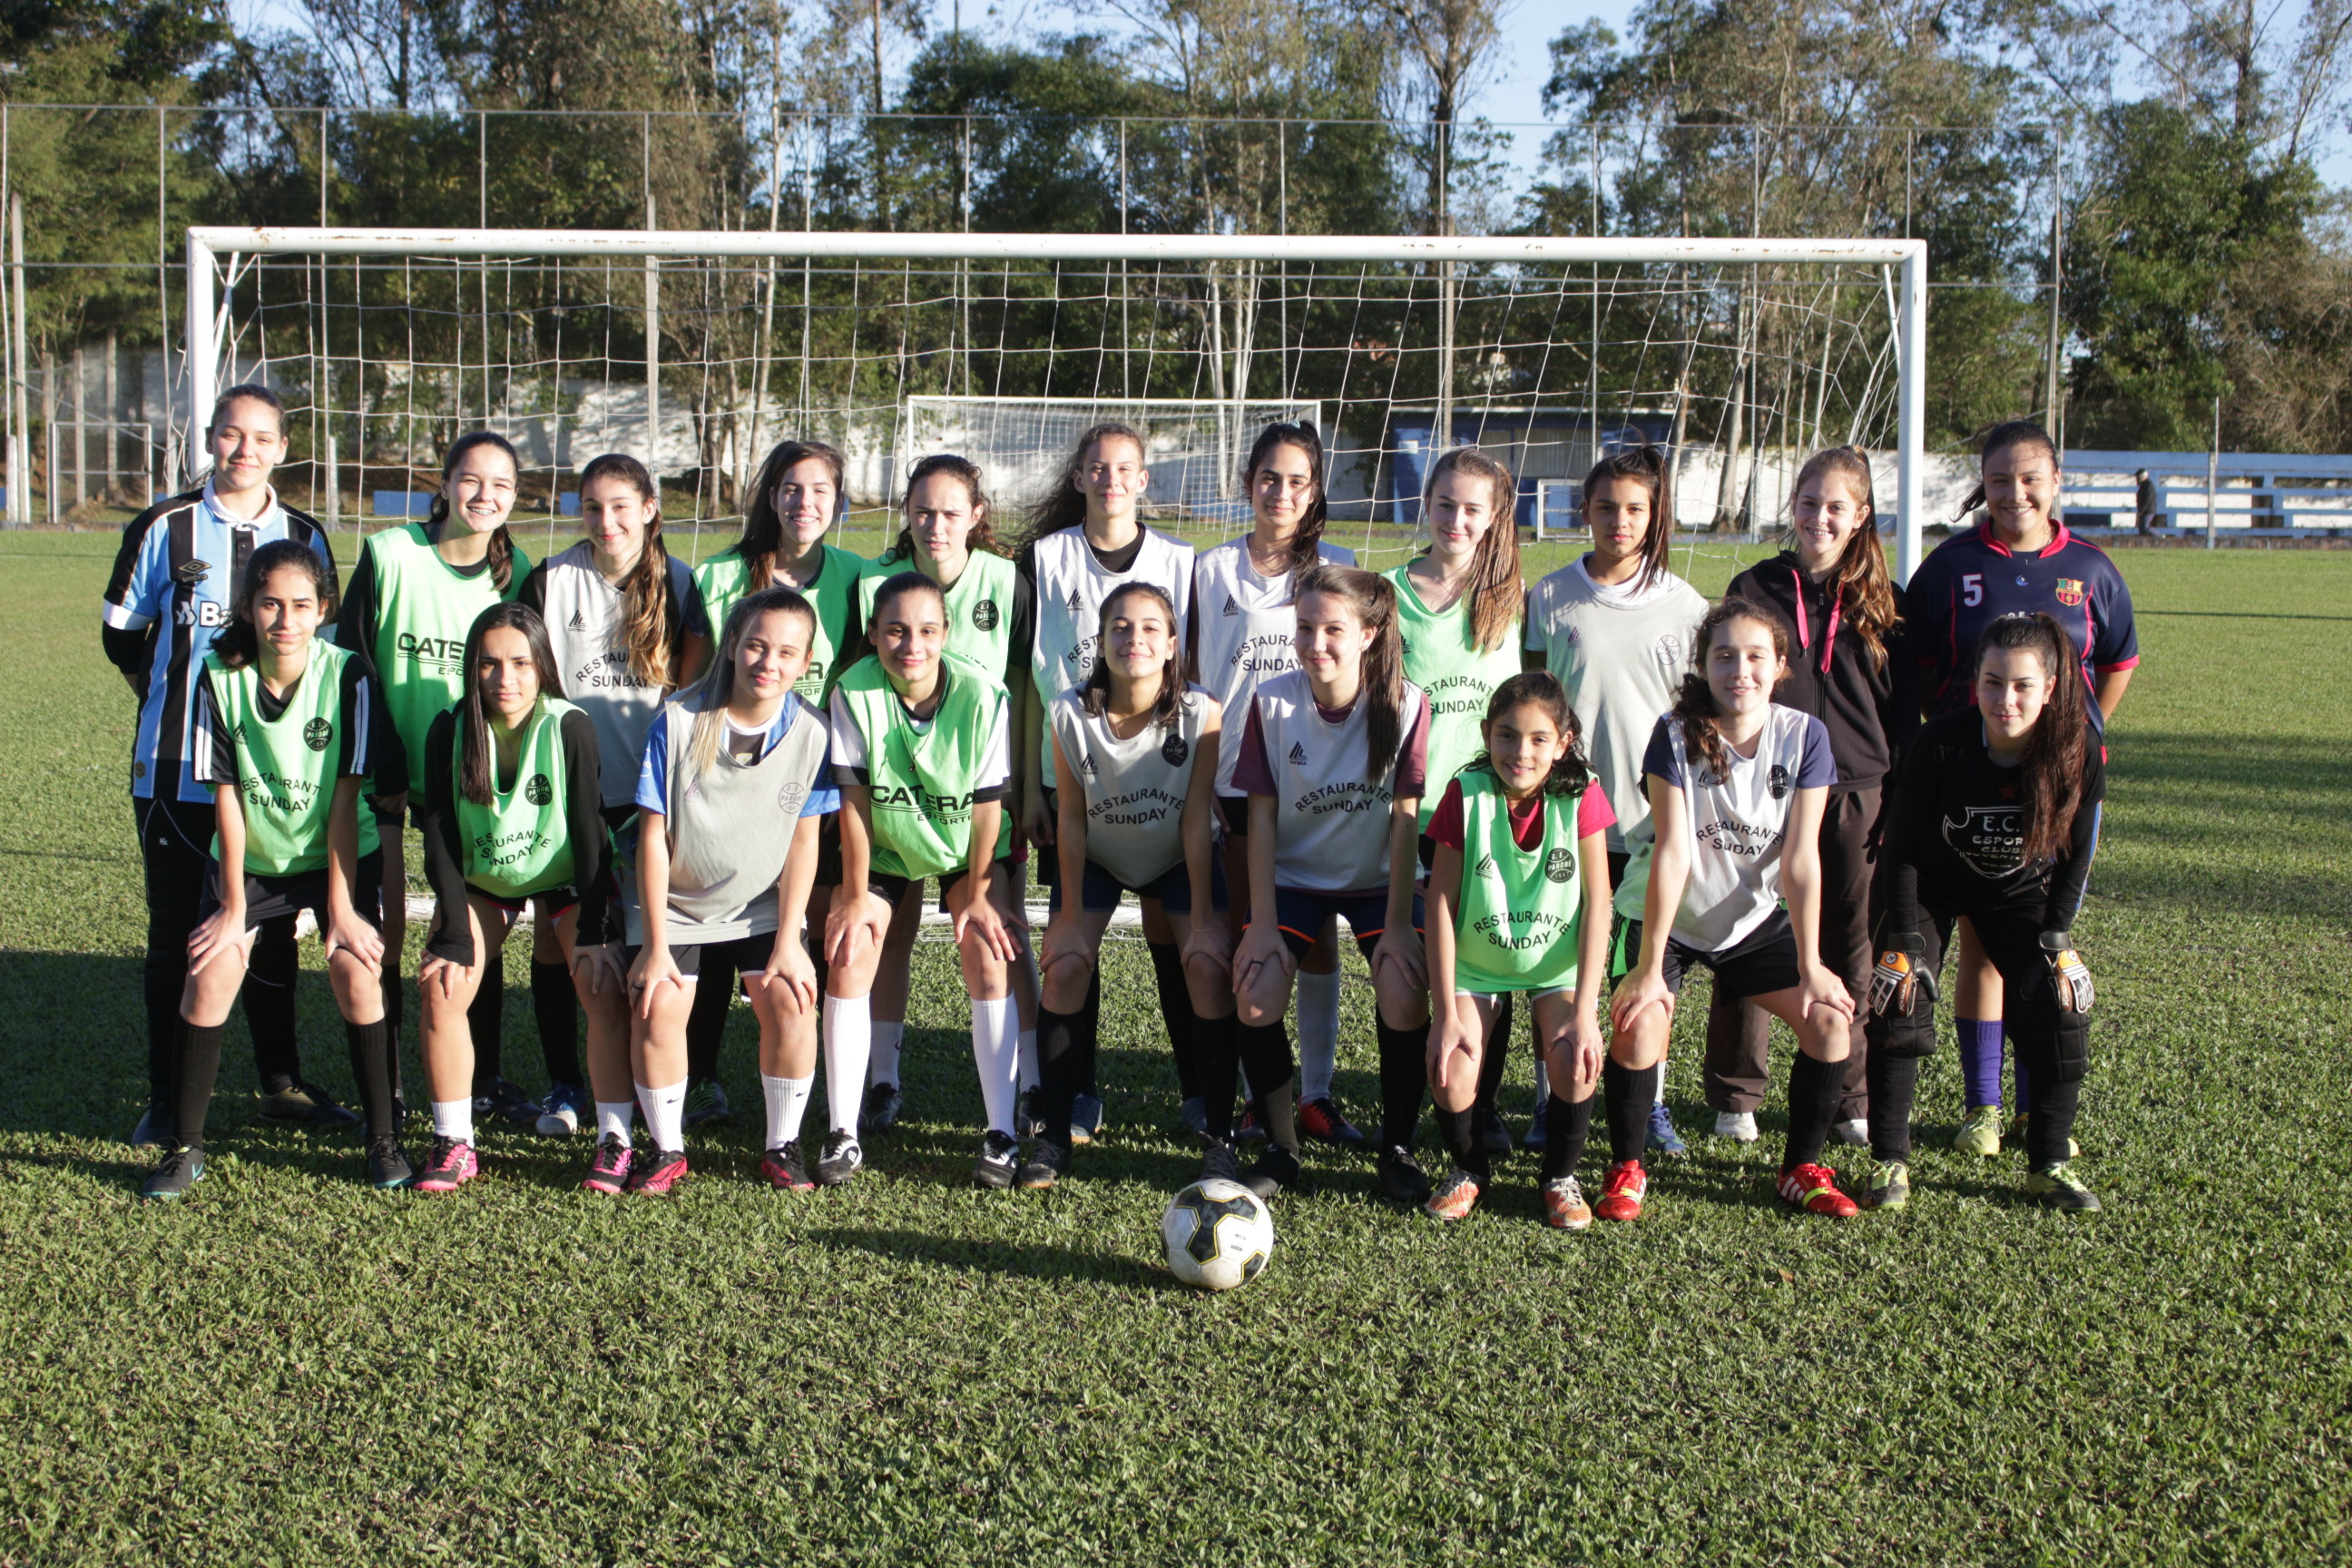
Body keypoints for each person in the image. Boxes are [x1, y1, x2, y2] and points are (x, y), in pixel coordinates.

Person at [102, 383, 350, 1147]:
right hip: (176, 770)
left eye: (262, 438)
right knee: (182, 935)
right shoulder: (164, 528)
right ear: (209, 440)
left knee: (272, 934)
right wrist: (173, 697)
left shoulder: (304, 531)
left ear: (282, 447)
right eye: (230, 435)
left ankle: (280, 1083)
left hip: (278, 780)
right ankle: (167, 1098)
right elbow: (122, 636)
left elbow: (321, 648)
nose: (245, 450)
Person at [139, 544, 403, 1200]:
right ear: (249, 608)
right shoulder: (218, 675)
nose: (285, 619)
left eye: (301, 605)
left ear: (323, 610)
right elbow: (225, 797)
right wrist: (233, 906)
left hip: (338, 855)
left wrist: (341, 911)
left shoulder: (349, 676)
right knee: (209, 977)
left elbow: (346, 797)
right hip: (253, 860)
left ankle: (384, 1140)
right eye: (270, 604)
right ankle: (185, 1147)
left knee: (354, 972)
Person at [1903, 420, 2136, 1157]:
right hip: (1974, 776)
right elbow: (1916, 663)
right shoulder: (1951, 565)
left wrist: (2071, 735)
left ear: (2057, 480)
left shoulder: (2093, 569)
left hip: (2058, 784)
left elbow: (2118, 662)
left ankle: (2040, 1110)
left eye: (2029, 477)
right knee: (1980, 941)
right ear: (1983, 482)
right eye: (1999, 479)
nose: (2015, 492)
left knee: (2046, 936)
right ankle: (1983, 1105)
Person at [1600, 598, 1859, 1223]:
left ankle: (1801, 1169)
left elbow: (1800, 860)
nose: (1739, 669)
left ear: (1778, 666)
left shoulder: (1806, 738)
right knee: (1640, 1024)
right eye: (1723, 656)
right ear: (1704, 665)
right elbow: (1672, 854)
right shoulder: (1675, 733)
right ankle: (1626, 1167)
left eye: (1753, 656)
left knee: (1829, 1022)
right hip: (1669, 917)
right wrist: (1649, 966)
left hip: (1750, 923)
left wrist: (1812, 964)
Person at [1863, 612, 2105, 1212]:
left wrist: (2056, 937)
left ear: (2049, 688)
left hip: (2018, 893)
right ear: (1976, 680)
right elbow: (1899, 850)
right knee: (1899, 996)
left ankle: (2047, 1163)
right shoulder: (1940, 742)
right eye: (1994, 682)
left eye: (2023, 685)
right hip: (1929, 885)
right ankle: (1890, 1161)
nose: (2006, 699)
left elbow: (2079, 855)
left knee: (2061, 1001)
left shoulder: (2077, 750)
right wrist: (1906, 942)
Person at [337, 431, 544, 1132]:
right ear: (447, 482)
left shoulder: (518, 576)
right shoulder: (392, 553)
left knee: (470, 933)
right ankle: (390, 1084)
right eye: (471, 480)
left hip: (472, 785)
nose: (485, 496)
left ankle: (481, 1080)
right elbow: (354, 659)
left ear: (517, 497)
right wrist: (383, 753)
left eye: (501, 486)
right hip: (392, 780)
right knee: (387, 936)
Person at [1710, 446, 1914, 1148]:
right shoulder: (1755, 585)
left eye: (1835, 508)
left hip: (1859, 790)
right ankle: (1738, 1092)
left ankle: (1849, 1089)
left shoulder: (1887, 603)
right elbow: (1724, 681)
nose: (1819, 518)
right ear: (1790, 507)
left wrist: (1897, 792)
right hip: (1767, 786)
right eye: (1807, 503)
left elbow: (1902, 707)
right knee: (1751, 931)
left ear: (1860, 516)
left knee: (1849, 942)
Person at [1522, 445, 1709, 1156]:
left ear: (1654, 514)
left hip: (1652, 817)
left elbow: (1698, 712)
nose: (1620, 521)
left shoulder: (1686, 605)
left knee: (1645, 969)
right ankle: (1551, 1098)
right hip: (1569, 812)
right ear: (1586, 511)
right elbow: (1536, 698)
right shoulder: (1552, 596)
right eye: (1606, 507)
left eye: (1635, 508)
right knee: (1559, 966)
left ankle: (1648, 1100)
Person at [622, 587, 838, 1195]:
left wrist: (792, 938)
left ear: (805, 661)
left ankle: (782, 1146)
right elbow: (653, 837)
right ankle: (666, 1149)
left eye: (786, 652)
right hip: (677, 905)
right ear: (733, 648)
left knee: (794, 1000)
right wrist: (656, 945)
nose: (768, 663)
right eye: (756, 646)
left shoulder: (814, 734)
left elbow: (803, 844)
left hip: (761, 905)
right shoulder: (679, 718)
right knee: (658, 1004)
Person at [676, 439, 866, 1133]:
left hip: (811, 780)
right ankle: (700, 1079)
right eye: (791, 488)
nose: (804, 503)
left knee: (793, 924)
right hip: (722, 777)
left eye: (819, 490)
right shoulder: (722, 574)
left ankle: (798, 1087)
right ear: (771, 496)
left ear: (839, 501)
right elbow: (693, 680)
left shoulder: (860, 577)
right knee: (716, 929)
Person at [1228, 565, 1431, 1202]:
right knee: (1254, 995)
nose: (1316, 643)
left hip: (1378, 885)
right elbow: (1258, 819)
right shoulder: (1272, 701)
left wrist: (1399, 924)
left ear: (1369, 634)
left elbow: (1405, 822)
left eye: (1334, 629)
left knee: (1402, 989)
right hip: (1296, 880)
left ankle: (1395, 1146)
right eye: (1305, 627)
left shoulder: (1406, 703)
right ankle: (1282, 1148)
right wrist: (1261, 923)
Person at [1017, 423, 1196, 1144]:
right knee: (1071, 942)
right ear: (1080, 478)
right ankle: (1078, 1091)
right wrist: (1030, 787)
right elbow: (1025, 677)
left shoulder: (1181, 563)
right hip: (1075, 783)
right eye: (1098, 467)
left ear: (1144, 479)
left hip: (1163, 782)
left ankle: (1198, 1089)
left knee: (1177, 935)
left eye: (1125, 468)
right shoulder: (1045, 558)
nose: (1111, 478)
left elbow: (1196, 679)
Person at [410, 603, 629, 1193]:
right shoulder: (449, 730)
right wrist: (453, 931)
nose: (505, 679)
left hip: (564, 879)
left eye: (520, 663)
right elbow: (441, 839)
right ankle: (454, 1143)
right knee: (441, 984)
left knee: (601, 980)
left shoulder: (569, 725)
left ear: (543, 667)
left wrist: (595, 930)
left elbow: (589, 831)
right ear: (471, 669)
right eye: (489, 664)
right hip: (488, 882)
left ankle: (616, 1141)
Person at [1026, 582, 1230, 1188]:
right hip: (1099, 856)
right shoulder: (1068, 712)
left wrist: (1202, 920)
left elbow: (1197, 818)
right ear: (1102, 640)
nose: (1132, 638)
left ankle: (1220, 1134)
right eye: (1119, 626)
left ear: (1171, 645)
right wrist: (1065, 920)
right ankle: (1055, 1134)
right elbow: (1069, 815)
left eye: (1148, 628)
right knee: (1064, 965)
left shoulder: (1202, 713)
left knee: (1205, 965)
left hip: (1175, 856)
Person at [827, 572, 1026, 1187]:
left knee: (989, 955)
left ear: (946, 633)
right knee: (848, 951)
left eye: (926, 631)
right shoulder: (853, 690)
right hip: (885, 844)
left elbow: (990, 805)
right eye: (895, 631)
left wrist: (980, 891)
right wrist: (856, 897)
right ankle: (843, 1131)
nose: (911, 645)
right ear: (873, 635)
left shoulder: (985, 694)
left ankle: (1002, 1134)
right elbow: (855, 806)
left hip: (964, 847)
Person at [1191, 422, 1359, 1145]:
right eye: (1269, 477)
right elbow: (1195, 678)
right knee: (1247, 938)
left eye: (1297, 480)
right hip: (1235, 779)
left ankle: (1314, 1093)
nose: (1281, 492)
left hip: (1321, 779)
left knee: (1317, 934)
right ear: (1248, 481)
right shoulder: (1210, 570)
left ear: (1315, 489)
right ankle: (1258, 1095)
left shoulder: (1341, 566)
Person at [514, 451, 696, 1126]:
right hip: (573, 795)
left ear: (650, 509)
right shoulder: (552, 579)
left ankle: (678, 1083)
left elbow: (691, 696)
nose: (606, 520)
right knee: (556, 940)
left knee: (658, 938)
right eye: (593, 506)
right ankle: (564, 1086)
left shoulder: (679, 583)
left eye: (621, 506)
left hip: (651, 799)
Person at [853, 455, 1031, 1135]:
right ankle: (884, 1080)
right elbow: (860, 686)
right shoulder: (874, 583)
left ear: (976, 516)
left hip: (979, 802)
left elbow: (1027, 687)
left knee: (1000, 938)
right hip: (898, 797)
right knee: (888, 938)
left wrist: (1027, 788)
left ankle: (1032, 1084)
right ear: (906, 511)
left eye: (951, 512)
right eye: (923, 510)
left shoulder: (1006, 583)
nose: (935, 524)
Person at [1420, 673, 1614, 1226]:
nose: (1520, 752)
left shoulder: (1581, 792)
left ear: (1563, 741)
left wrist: (1585, 1012)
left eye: (1537, 739)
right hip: (1479, 964)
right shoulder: (1468, 791)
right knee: (1450, 1067)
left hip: (1555, 963)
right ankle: (1469, 1170)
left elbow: (1599, 900)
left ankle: (1560, 1177)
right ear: (1486, 734)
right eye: (1506, 736)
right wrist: (1446, 1012)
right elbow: (1440, 901)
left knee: (1576, 1059)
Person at [1383, 446, 1526, 1154]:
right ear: (1427, 504)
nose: (1457, 520)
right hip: (1412, 813)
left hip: (1490, 817)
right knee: (1412, 971)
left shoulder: (1511, 596)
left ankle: (1483, 1105)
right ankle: (1403, 1120)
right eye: (1446, 505)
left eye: (1473, 509)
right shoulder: (1388, 592)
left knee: (1488, 966)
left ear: (1495, 516)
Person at [2133, 468, 2158, 536]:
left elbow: (2148, 499)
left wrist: (2142, 510)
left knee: (2145, 527)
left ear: (2142, 477)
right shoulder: (2144, 485)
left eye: (2138, 477)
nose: (2137, 480)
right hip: (2144, 510)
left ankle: (2160, 538)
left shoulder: (2148, 485)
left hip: (2148, 510)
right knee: (2142, 529)